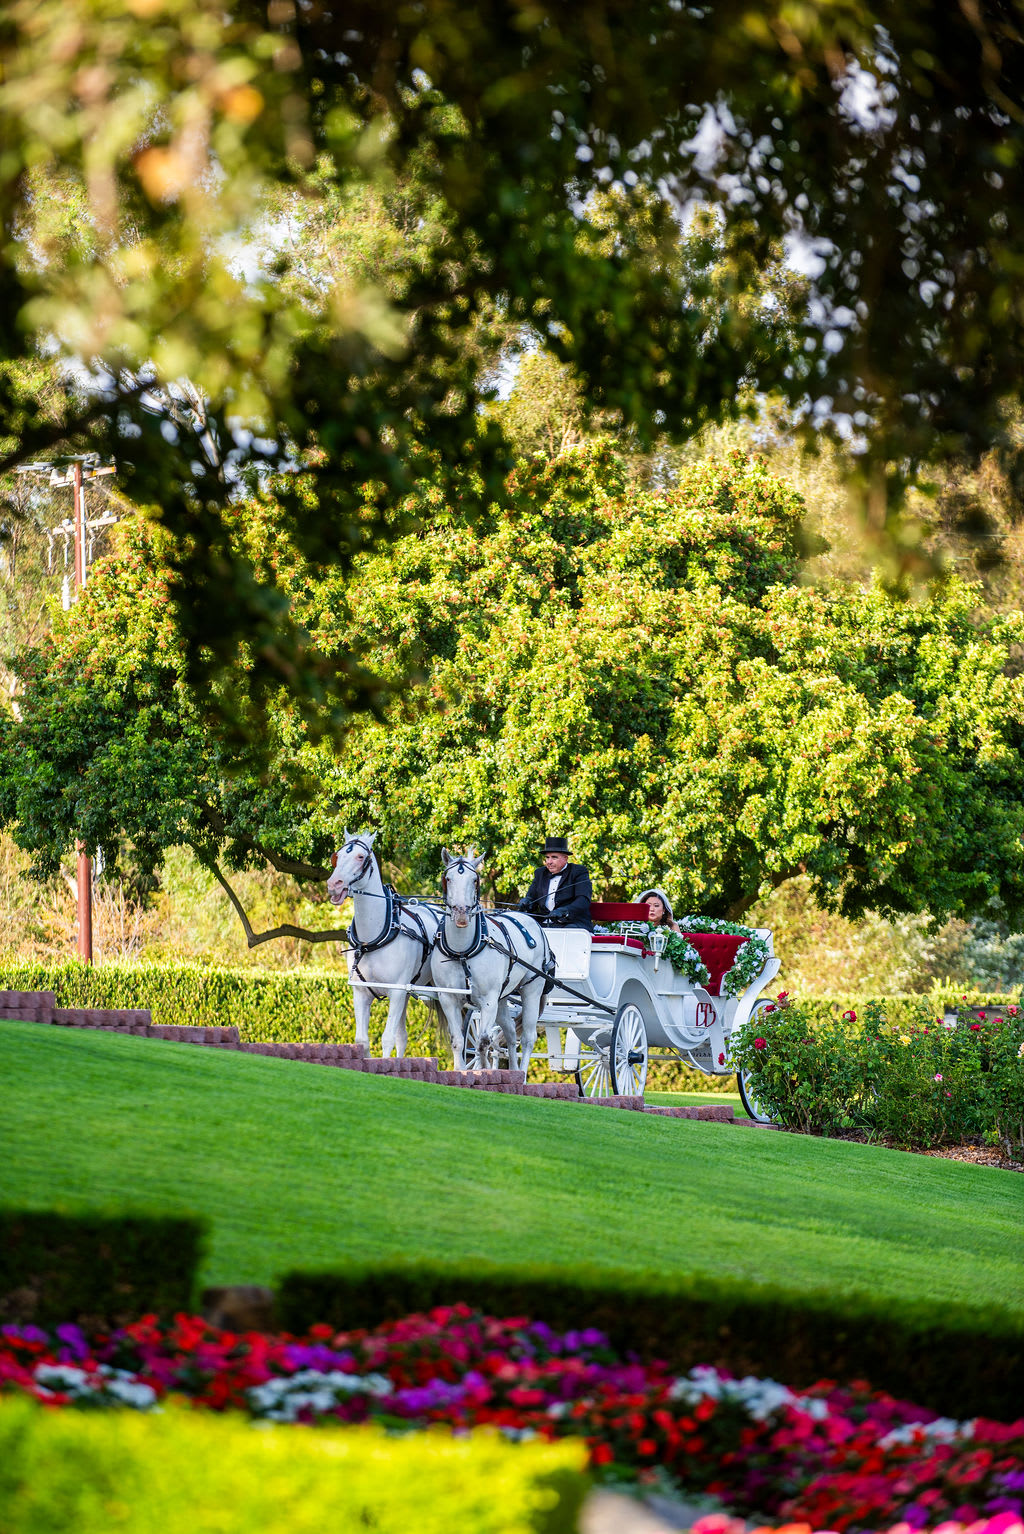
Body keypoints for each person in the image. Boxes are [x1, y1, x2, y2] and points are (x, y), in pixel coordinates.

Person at [517, 836, 593, 931]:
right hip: (544, 923)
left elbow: (583, 900)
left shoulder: (578, 871)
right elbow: (531, 898)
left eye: (554, 857)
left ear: (565, 858)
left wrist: (565, 911)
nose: (549, 862)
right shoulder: (540, 873)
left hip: (571, 923)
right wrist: (526, 902)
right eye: (547, 857)